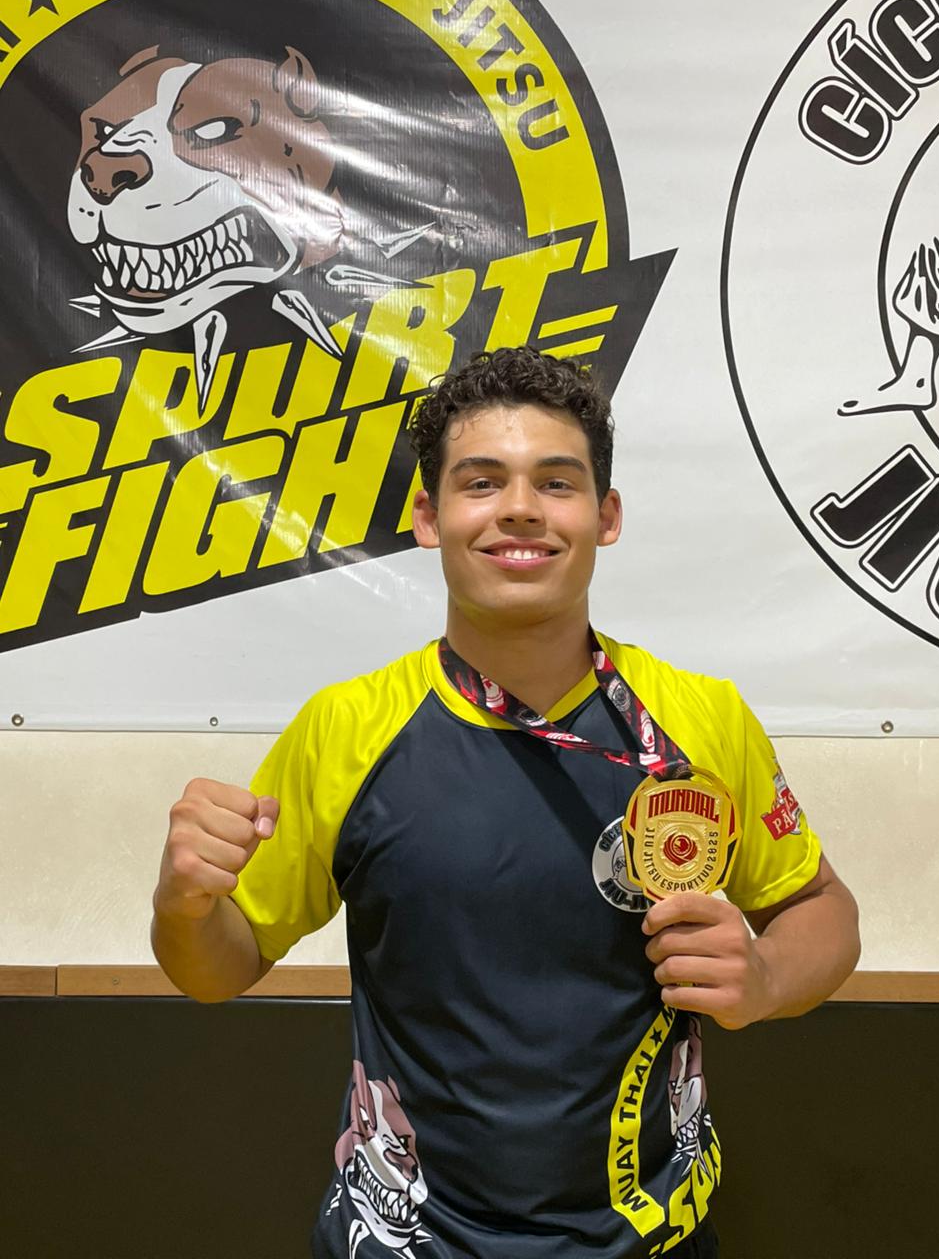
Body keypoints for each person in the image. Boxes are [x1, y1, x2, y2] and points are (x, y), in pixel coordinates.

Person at [152, 346, 861, 1259]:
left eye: (556, 483)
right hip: (405, 1243)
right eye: (482, 482)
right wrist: (183, 904)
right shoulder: (344, 728)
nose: (520, 507)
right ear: (428, 517)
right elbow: (217, 969)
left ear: (605, 516)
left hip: (651, 1239)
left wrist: (764, 980)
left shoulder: (702, 719)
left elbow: (822, 910)